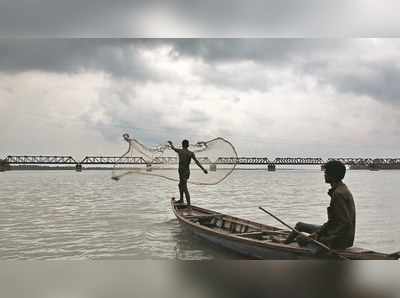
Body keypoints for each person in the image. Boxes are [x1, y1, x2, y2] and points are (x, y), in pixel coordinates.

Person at [283, 160, 356, 251]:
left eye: (326, 172)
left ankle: (283, 247)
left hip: (338, 240)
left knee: (300, 239)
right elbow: (333, 221)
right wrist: (318, 233)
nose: (324, 174)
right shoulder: (342, 189)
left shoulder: (338, 194)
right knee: (300, 225)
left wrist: (319, 239)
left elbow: (344, 224)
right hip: (339, 235)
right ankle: (284, 244)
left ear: (332, 175)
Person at [168, 139, 208, 205]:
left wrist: (171, 143)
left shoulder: (180, 151)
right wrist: (203, 169)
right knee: (180, 185)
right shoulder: (190, 153)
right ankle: (181, 200)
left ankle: (188, 204)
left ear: (182, 145)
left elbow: (173, 148)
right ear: (188, 145)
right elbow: (197, 162)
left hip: (182, 171)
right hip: (185, 172)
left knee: (184, 187)